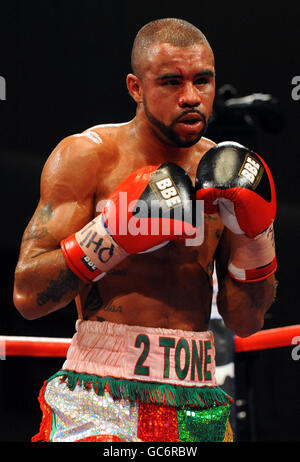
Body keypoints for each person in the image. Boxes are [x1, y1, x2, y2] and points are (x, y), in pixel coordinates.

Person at [13, 18, 277, 443]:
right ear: (136, 88)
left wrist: (256, 238)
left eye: (202, 81)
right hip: (101, 393)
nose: (191, 97)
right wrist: (113, 233)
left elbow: (246, 322)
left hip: (199, 399)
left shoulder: (226, 173)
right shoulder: (88, 157)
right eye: (171, 82)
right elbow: (27, 295)